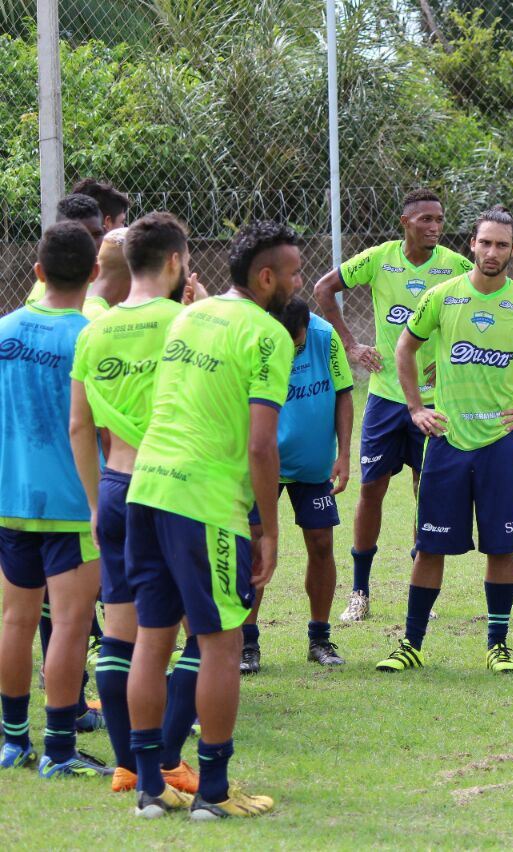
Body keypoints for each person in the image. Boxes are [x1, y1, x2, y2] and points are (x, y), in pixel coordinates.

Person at [124, 220, 296, 818]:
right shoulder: (269, 335)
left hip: (146, 489)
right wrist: (269, 528)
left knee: (153, 636)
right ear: (266, 276)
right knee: (221, 642)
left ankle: (149, 787)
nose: (299, 283)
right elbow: (261, 446)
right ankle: (214, 794)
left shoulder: (186, 316)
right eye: (295, 272)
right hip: (206, 504)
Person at [376, 207, 513, 674]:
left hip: (500, 442)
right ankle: (412, 643)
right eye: (485, 243)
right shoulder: (443, 297)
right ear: (472, 245)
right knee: (431, 545)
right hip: (446, 440)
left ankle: (497, 645)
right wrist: (416, 408)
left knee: (501, 547)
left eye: (502, 245)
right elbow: (405, 347)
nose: (492, 252)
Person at [69, 212, 205, 795]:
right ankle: (169, 759)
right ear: (174, 262)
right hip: (174, 487)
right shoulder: (188, 323)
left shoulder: (91, 331)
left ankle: (129, 766)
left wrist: (95, 505)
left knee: (122, 635)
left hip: (115, 487)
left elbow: (79, 426)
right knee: (201, 631)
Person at [315, 189, 474, 623]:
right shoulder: (379, 258)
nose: (435, 227)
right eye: (425, 219)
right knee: (371, 489)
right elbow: (324, 288)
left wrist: (453, 360)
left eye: (439, 219)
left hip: (432, 403)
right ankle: (359, 591)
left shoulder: (456, 267)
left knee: (429, 489)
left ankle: (420, 587)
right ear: (405, 221)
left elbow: (477, 313)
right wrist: (350, 344)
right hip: (386, 398)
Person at [0, 221, 108, 777]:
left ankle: (13, 742)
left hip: (12, 501)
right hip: (74, 505)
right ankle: (59, 753)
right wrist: (100, 505)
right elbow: (95, 428)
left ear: (37, 273)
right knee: (68, 625)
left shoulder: (4, 330)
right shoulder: (91, 337)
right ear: (94, 273)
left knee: (15, 622)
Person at [240, 296, 354, 673]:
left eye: (298, 342)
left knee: (321, 543)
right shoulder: (254, 337)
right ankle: (247, 643)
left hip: (313, 464)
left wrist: (344, 454)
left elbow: (343, 394)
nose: (294, 348)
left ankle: (319, 638)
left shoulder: (324, 335)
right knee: (255, 546)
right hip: (261, 464)